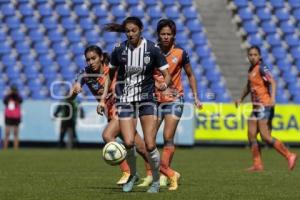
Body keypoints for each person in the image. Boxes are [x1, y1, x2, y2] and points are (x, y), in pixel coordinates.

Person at [98, 16, 171, 193]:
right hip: (125, 99)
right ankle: (133, 175)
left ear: (141, 30)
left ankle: (155, 179)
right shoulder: (119, 49)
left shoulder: (152, 49)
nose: (130, 34)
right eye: (128, 31)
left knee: (150, 144)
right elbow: (109, 75)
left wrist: (164, 84)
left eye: (134, 30)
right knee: (129, 142)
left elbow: (166, 74)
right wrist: (103, 98)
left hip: (147, 99)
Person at [138, 19, 203, 190]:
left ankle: (163, 177)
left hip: (175, 99)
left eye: (169, 34)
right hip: (155, 100)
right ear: (158, 35)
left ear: (173, 35)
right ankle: (161, 173)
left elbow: (190, 75)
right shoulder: (151, 51)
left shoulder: (181, 53)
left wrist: (196, 97)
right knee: (148, 141)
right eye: (163, 34)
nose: (166, 37)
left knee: (168, 137)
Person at [70, 45, 149, 185]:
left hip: (124, 109)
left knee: (107, 135)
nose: (91, 62)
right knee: (141, 147)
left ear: (101, 58)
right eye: (88, 60)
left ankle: (128, 172)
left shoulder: (113, 70)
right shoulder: (85, 74)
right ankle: (163, 172)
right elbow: (72, 94)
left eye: (93, 58)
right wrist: (74, 91)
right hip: (111, 115)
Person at [235, 45, 297, 172]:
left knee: (266, 137)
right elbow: (248, 86)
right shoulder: (251, 69)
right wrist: (240, 98)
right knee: (251, 134)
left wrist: (273, 98)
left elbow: (273, 82)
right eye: (250, 55)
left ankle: (289, 155)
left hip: (265, 105)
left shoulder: (263, 67)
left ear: (260, 56)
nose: (252, 57)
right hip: (256, 107)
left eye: (255, 55)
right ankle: (258, 164)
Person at [3, 85, 23, 150]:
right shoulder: (8, 97)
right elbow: (4, 101)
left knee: (16, 133)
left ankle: (16, 148)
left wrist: (16, 95)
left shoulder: (17, 97)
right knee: (7, 133)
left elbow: (21, 101)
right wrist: (9, 94)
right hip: (8, 116)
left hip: (16, 116)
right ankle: (5, 148)